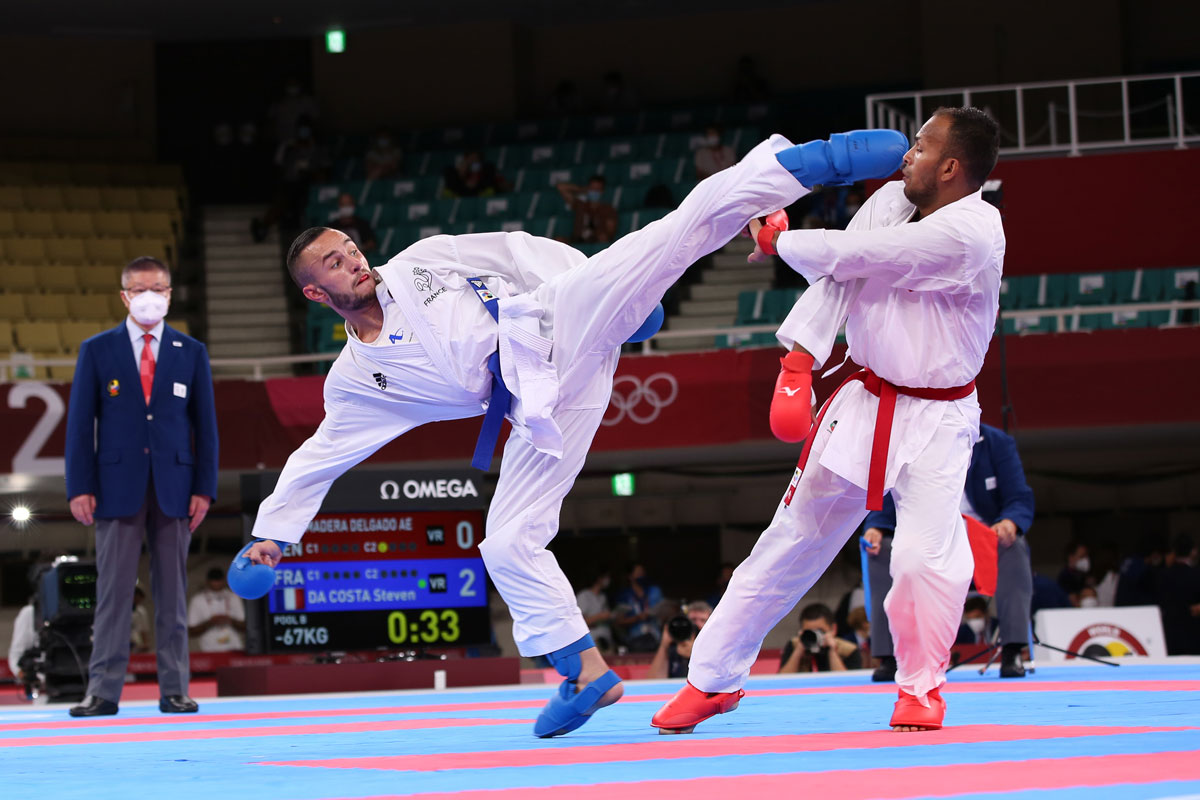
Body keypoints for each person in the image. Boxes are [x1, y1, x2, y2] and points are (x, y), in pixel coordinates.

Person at [236, 126, 908, 738]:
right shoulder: (358, 380)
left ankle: (809, 164)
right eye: (334, 263)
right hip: (537, 406)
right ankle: (584, 670)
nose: (354, 261)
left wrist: (607, 295)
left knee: (671, 235)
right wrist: (272, 535)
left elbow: (519, 252)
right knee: (506, 540)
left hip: (552, 318)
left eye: (350, 249)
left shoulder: (420, 263)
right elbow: (323, 452)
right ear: (314, 293)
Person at [653, 107, 1004, 735]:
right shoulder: (891, 200)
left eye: (921, 148)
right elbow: (840, 275)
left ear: (951, 167)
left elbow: (862, 253)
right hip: (864, 400)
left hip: (938, 417)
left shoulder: (973, 233)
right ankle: (711, 680)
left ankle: (921, 687)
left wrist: (778, 242)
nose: (906, 155)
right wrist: (799, 360)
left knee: (920, 559)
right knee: (789, 540)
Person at [64, 256, 218, 717]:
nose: (150, 296)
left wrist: (204, 488)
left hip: (176, 485)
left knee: (172, 593)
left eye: (158, 289)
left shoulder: (191, 351)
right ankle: (102, 691)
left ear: (169, 294)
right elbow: (79, 425)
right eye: (140, 289)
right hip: (115, 486)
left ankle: (175, 689)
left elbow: (206, 427)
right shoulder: (97, 349)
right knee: (113, 595)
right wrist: (79, 486)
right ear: (124, 296)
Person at [865, 422, 1036, 680]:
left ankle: (1012, 650)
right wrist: (876, 527)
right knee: (881, 550)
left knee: (1013, 545)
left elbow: (1019, 497)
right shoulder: (910, 442)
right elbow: (889, 496)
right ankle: (889, 658)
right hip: (926, 539)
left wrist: (1010, 522)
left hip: (980, 539)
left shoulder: (996, 443)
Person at [778, 603, 862, 673]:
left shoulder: (848, 650)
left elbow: (847, 682)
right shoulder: (794, 645)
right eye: (809, 632)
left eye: (820, 631)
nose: (815, 636)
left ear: (833, 629)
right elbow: (782, 680)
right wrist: (799, 650)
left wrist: (832, 651)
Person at [1155, 533, 1200, 655]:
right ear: (1193, 551)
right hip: (1194, 636)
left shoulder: (1162, 575)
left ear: (1174, 552)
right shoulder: (1196, 575)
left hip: (1169, 636)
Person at [648, 601, 712, 679]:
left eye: (703, 620)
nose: (697, 624)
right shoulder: (674, 647)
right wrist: (664, 645)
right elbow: (654, 681)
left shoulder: (716, 647)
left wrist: (697, 655)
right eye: (693, 620)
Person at [188, 568, 246, 653]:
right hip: (209, 650)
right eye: (214, 581)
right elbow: (191, 632)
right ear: (208, 581)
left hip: (234, 648)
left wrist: (230, 620)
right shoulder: (197, 600)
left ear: (224, 581)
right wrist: (211, 622)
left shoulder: (233, 597)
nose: (217, 584)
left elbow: (244, 627)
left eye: (219, 580)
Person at [614, 563, 665, 652]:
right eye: (638, 573)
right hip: (635, 640)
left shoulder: (654, 591)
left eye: (642, 572)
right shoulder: (624, 596)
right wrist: (638, 617)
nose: (641, 575)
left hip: (656, 637)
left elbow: (665, 612)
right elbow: (619, 621)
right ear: (630, 576)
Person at [556, 175, 617, 245]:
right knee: (558, 240)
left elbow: (610, 233)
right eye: (592, 188)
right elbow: (561, 187)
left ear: (602, 191)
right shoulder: (581, 205)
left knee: (603, 239)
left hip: (596, 243)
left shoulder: (608, 210)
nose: (594, 191)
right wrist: (582, 189)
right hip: (576, 242)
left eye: (597, 189)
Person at [574, 568, 614, 652]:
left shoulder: (603, 597)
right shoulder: (584, 596)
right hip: (592, 642)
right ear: (599, 578)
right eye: (606, 577)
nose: (608, 580)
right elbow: (579, 623)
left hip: (606, 640)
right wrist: (599, 617)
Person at [130, 586, 152, 654]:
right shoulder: (122, 610)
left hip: (136, 644)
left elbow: (144, 630)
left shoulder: (141, 611)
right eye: (136, 597)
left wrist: (146, 644)